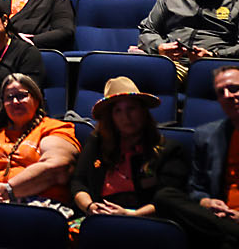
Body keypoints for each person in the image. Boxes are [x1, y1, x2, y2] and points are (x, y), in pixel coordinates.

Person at [156, 65, 239, 249]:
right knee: (165, 197)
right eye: (221, 92)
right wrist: (207, 202)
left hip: (234, 221)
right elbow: (196, 188)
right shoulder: (207, 135)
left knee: (225, 247)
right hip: (218, 218)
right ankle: (234, 233)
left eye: (235, 88)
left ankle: (233, 235)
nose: (228, 96)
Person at [0, 73, 79, 224]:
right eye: (9, 97)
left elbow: (57, 166)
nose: (15, 101)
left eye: (22, 96)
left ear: (36, 99)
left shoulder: (54, 128)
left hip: (40, 201)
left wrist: (9, 189)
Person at [70, 76, 187, 221]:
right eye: (118, 111)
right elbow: (78, 182)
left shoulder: (168, 149)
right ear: (110, 117)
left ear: (143, 111)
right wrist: (90, 207)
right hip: (99, 217)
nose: (125, 117)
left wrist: (132, 215)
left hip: (145, 220)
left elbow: (170, 200)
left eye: (131, 108)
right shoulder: (97, 142)